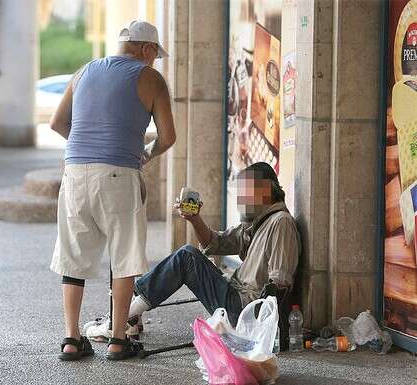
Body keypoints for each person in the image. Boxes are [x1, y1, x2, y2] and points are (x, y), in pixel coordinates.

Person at [50, 20, 176, 361]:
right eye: (154, 55)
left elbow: (57, 123)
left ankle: (71, 339)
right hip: (120, 174)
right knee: (124, 256)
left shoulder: (84, 71)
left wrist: (85, 148)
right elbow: (168, 137)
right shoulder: (150, 78)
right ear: (146, 49)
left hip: (75, 172)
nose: (153, 61)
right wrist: (143, 154)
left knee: (73, 258)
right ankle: (118, 340)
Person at [85, 162, 301, 338]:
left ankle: (119, 321)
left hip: (245, 309)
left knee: (187, 257)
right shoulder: (257, 222)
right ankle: (127, 318)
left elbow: (280, 282)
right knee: (187, 257)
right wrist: (195, 218)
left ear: (267, 191)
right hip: (236, 296)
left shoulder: (280, 222)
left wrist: (264, 330)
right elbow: (215, 243)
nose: (241, 199)